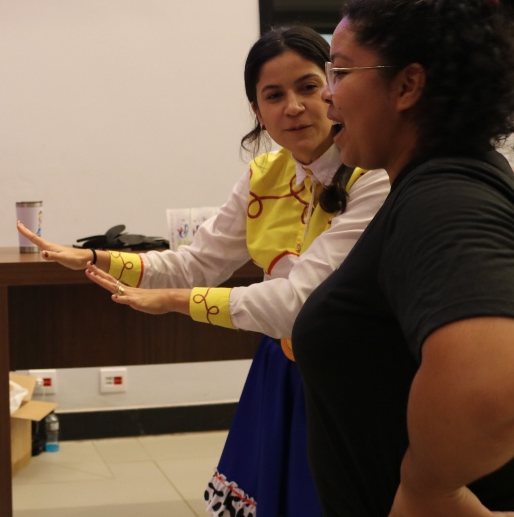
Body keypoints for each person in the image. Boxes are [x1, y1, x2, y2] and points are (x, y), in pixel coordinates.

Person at [19, 26, 390, 516]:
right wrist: (95, 257)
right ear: (257, 112)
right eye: (273, 96)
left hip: (354, 376)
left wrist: (176, 302)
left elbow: (299, 304)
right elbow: (197, 263)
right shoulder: (264, 176)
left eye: (307, 87)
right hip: (282, 367)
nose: (294, 107)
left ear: (332, 89)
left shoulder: (375, 177)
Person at [293, 0, 514, 515]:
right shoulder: (441, 181)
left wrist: (427, 488)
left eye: (341, 72)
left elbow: (490, 382)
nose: (326, 95)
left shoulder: (443, 195)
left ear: (408, 84)